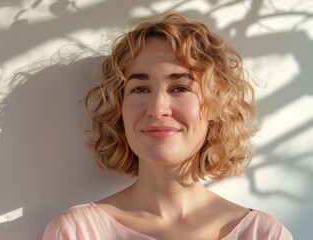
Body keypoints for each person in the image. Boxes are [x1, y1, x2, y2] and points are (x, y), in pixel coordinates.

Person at [43, 12, 292, 240]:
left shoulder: (263, 234)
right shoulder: (78, 232)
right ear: (119, 107)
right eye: (140, 89)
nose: (157, 108)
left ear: (216, 104)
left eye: (180, 88)